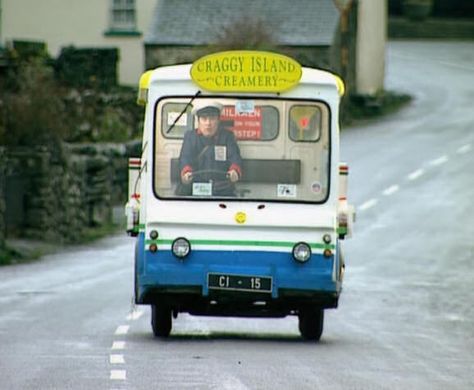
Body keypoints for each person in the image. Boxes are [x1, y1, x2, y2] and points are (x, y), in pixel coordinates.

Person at [178, 101, 242, 196]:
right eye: (204, 118)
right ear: (198, 121)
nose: (208, 123)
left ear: (218, 120)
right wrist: (186, 172)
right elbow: (185, 158)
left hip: (222, 188)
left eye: (212, 118)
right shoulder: (190, 137)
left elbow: (235, 157)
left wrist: (234, 171)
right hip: (195, 187)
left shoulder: (227, 137)